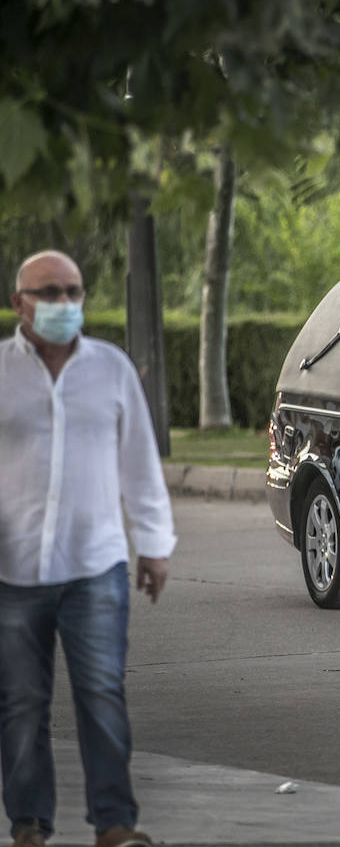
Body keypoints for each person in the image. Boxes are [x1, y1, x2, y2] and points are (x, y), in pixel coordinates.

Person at [0, 251, 176, 847]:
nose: (63, 303)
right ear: (19, 301)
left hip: (95, 565)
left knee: (102, 694)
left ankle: (114, 822)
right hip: (13, 569)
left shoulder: (112, 368)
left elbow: (140, 466)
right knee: (21, 703)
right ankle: (28, 823)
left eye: (73, 291)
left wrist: (154, 547)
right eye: (49, 292)